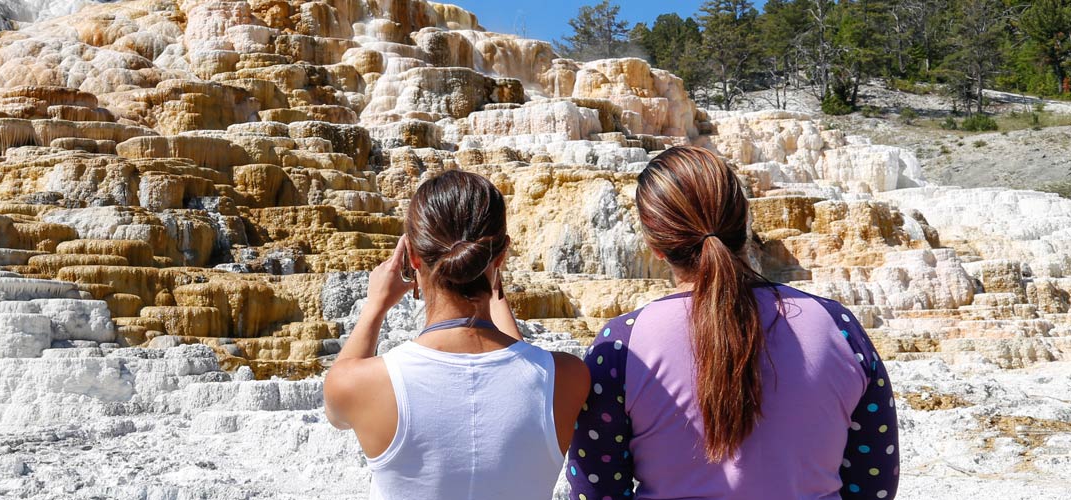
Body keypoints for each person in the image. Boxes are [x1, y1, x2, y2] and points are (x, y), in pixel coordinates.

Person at [566, 146, 900, 500]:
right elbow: (874, 483)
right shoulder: (839, 327)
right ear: (744, 223)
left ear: (655, 245)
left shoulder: (622, 347)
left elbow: (597, 490)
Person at [323, 170, 591, 500]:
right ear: (501, 256)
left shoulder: (359, 384)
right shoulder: (568, 377)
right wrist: (493, 283)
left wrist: (375, 305)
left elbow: (336, 411)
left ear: (411, 259)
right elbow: (523, 374)